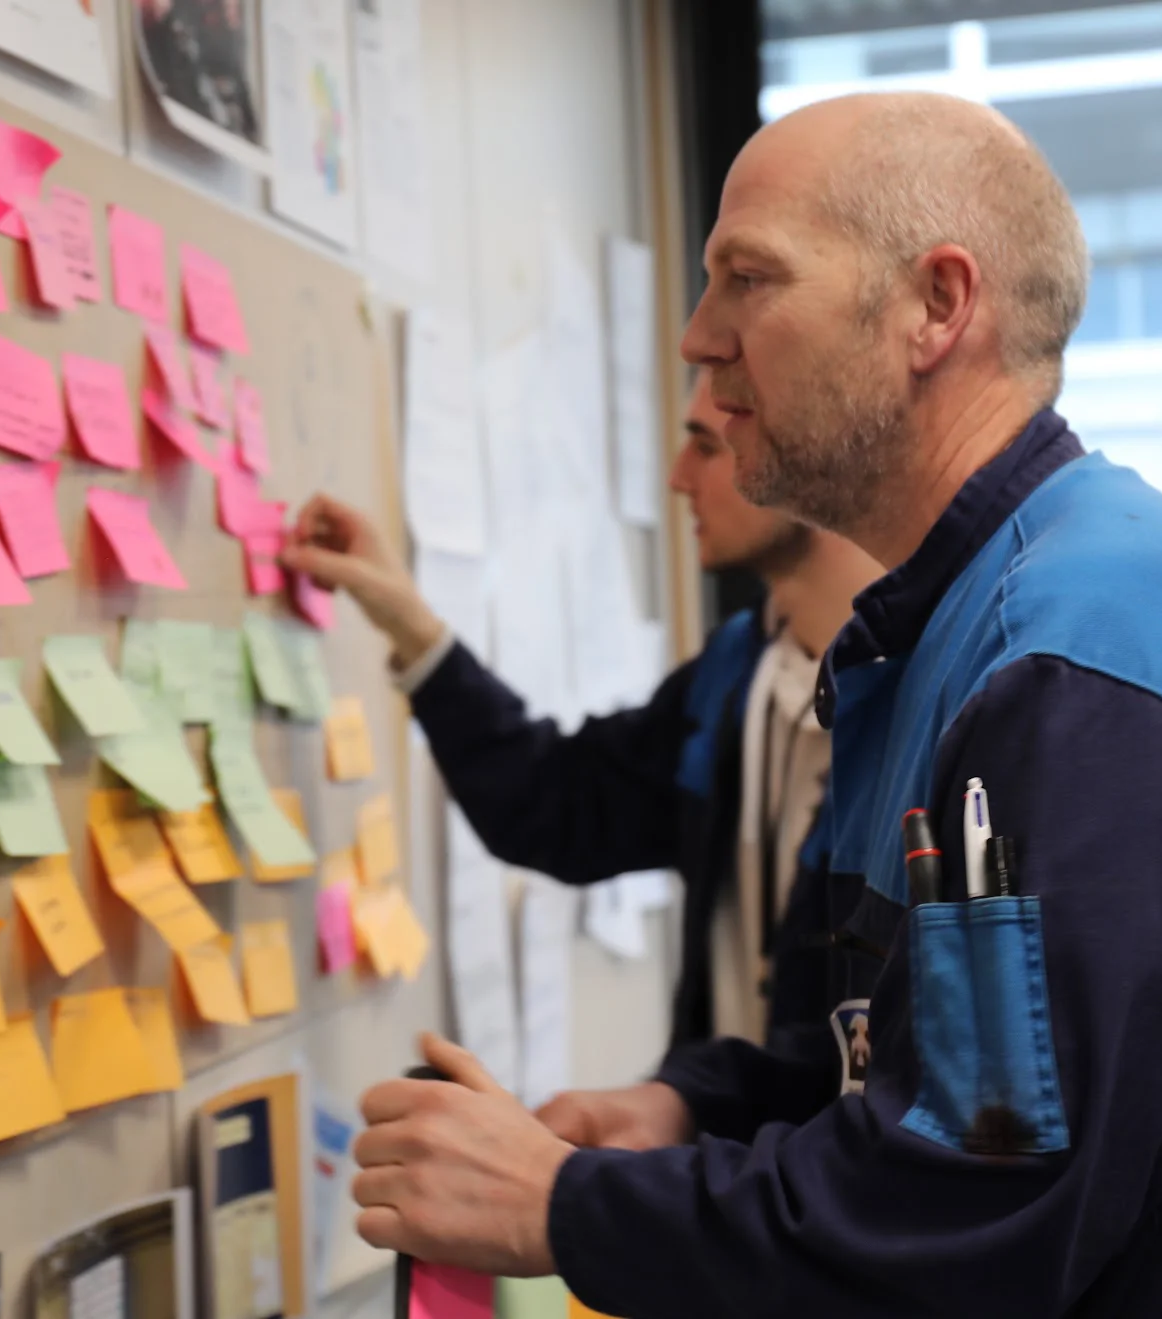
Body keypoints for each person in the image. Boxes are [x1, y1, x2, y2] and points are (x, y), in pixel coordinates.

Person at [344, 89, 1162, 1319]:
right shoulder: (948, 635)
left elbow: (970, 1206)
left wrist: (559, 1204)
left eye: (748, 278)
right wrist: (695, 1105)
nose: (697, 337)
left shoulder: (1074, 663)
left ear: (935, 306)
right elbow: (931, 1058)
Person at [283, 372, 883, 1072]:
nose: (677, 478)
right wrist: (410, 624)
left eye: (704, 447)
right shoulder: (736, 672)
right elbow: (556, 803)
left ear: (808, 452)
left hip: (823, 1144)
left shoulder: (924, 701)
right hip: (716, 1134)